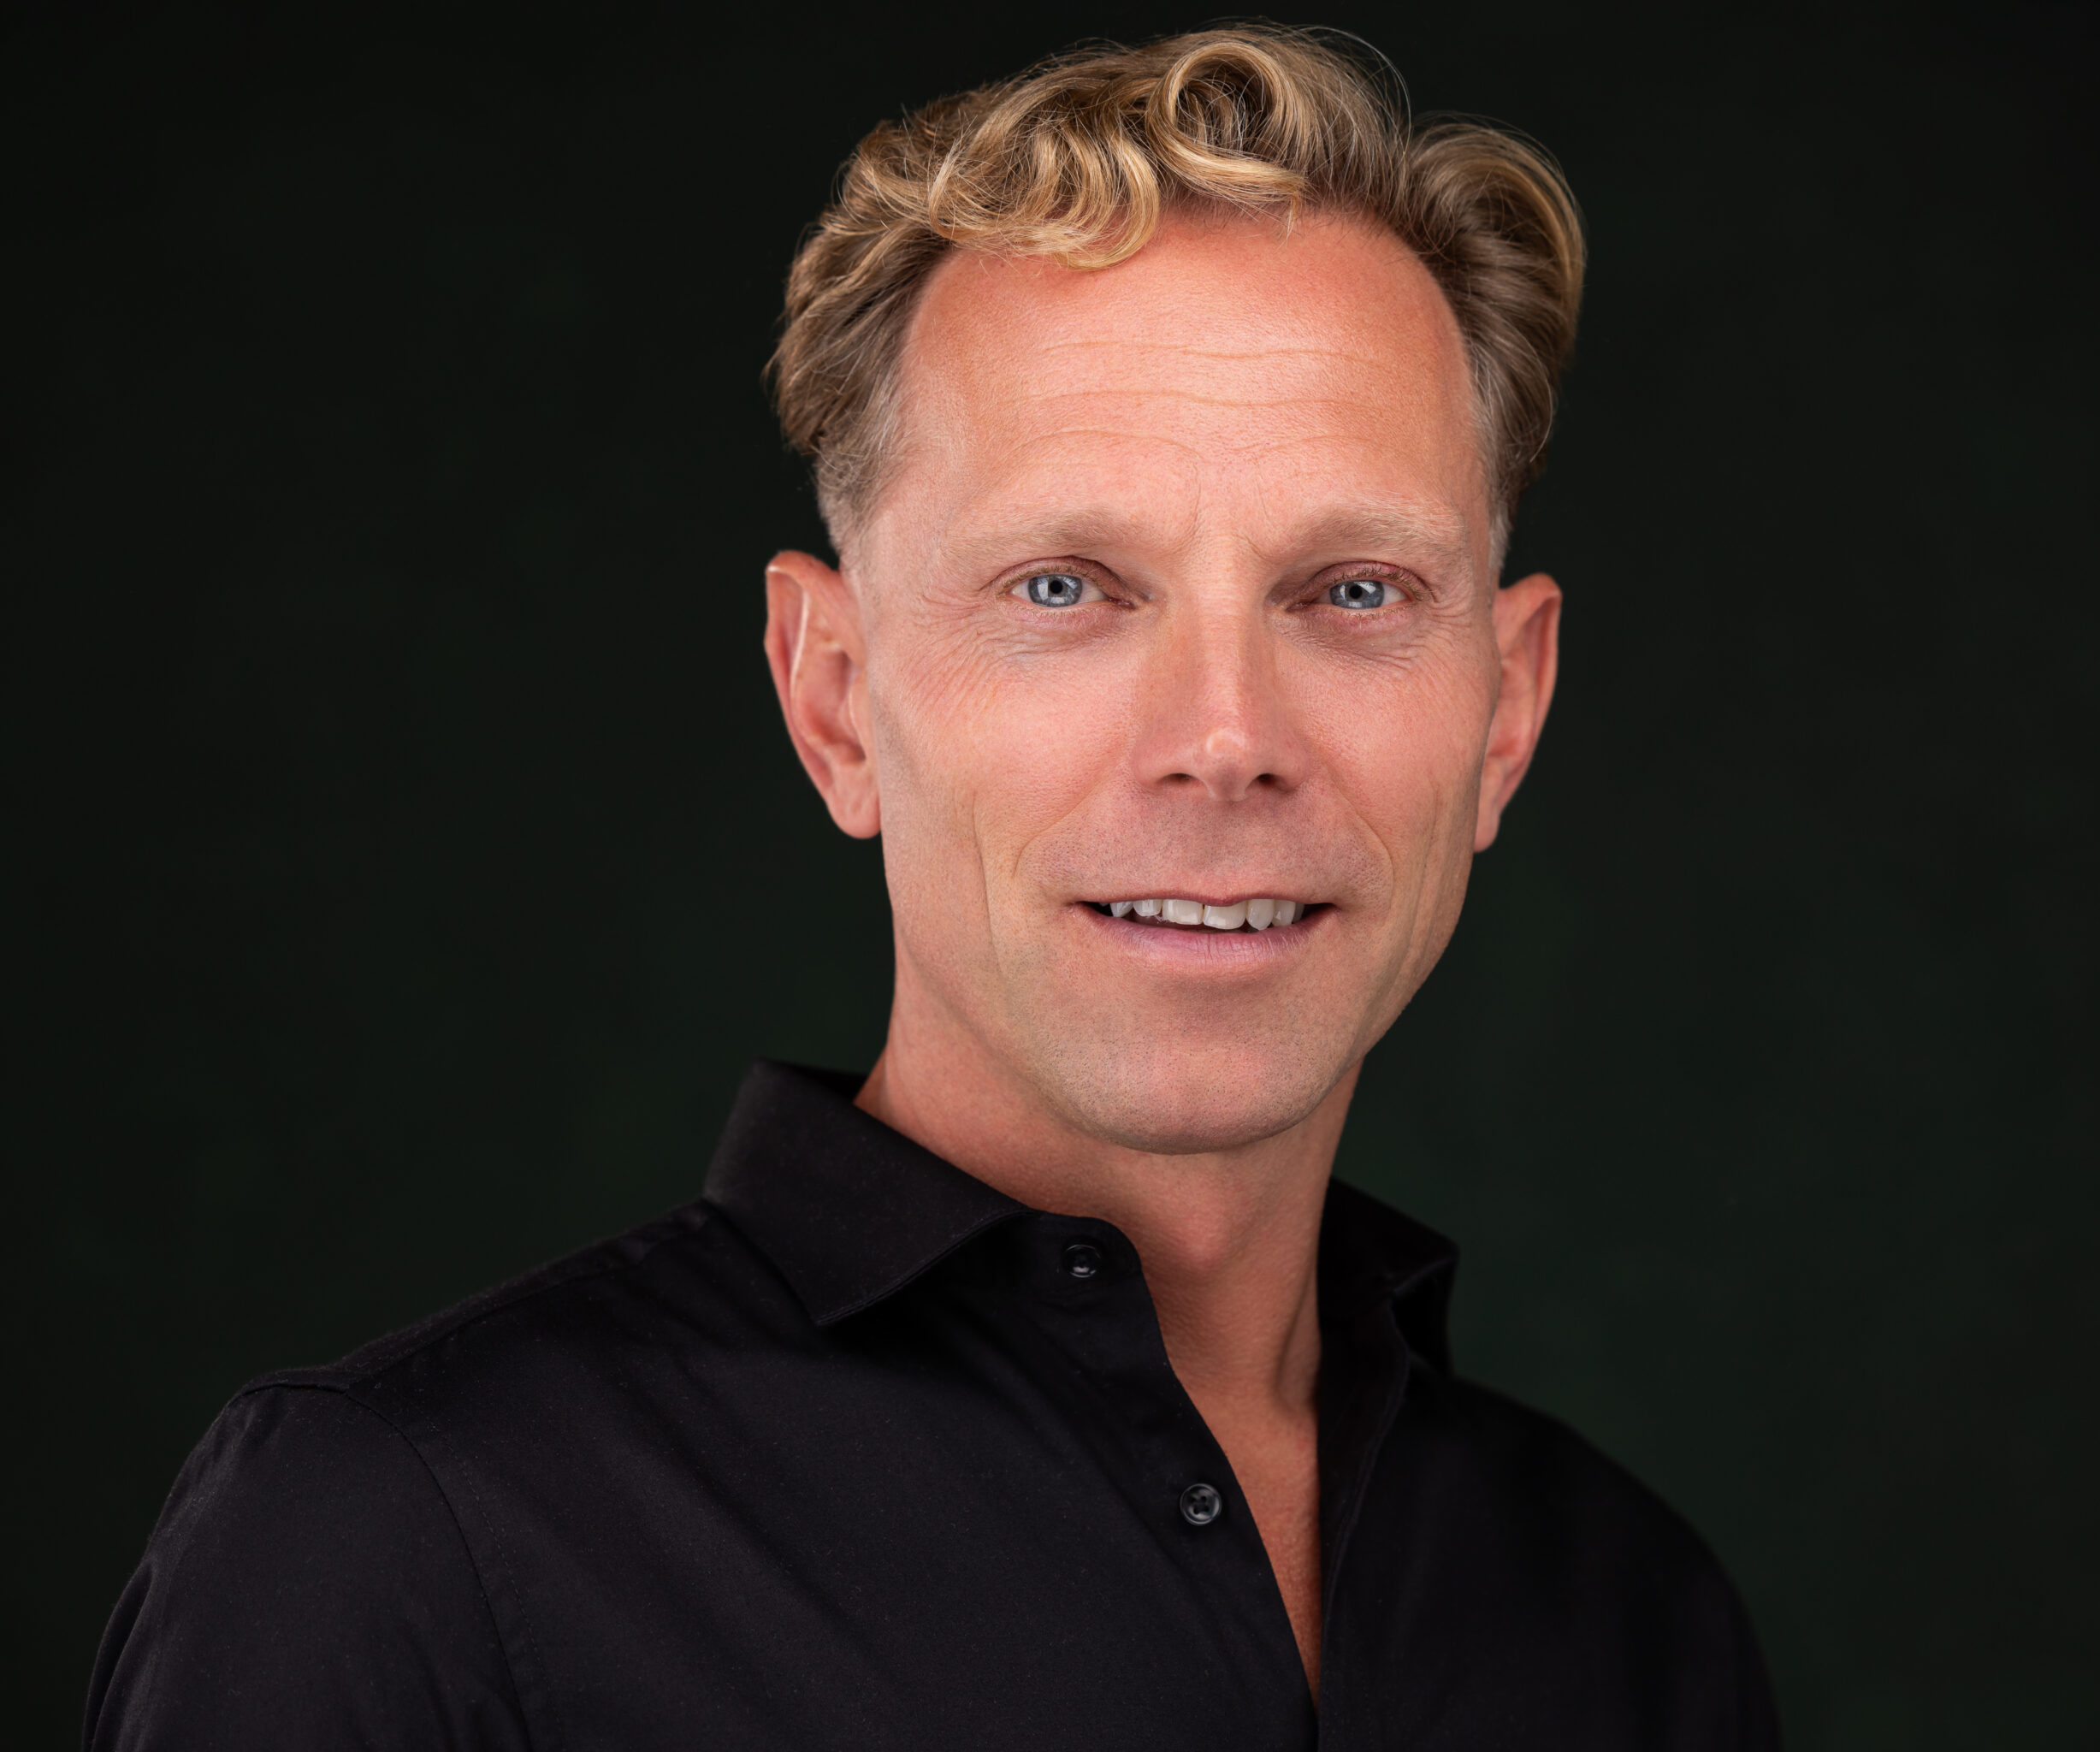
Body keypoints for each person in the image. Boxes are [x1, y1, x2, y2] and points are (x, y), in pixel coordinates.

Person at [86, 27, 1778, 1749]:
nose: (1225, 738)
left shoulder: (1633, 1629)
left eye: (1351, 592)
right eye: (1063, 587)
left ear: (1505, 714)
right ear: (833, 701)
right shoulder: (401, 1548)